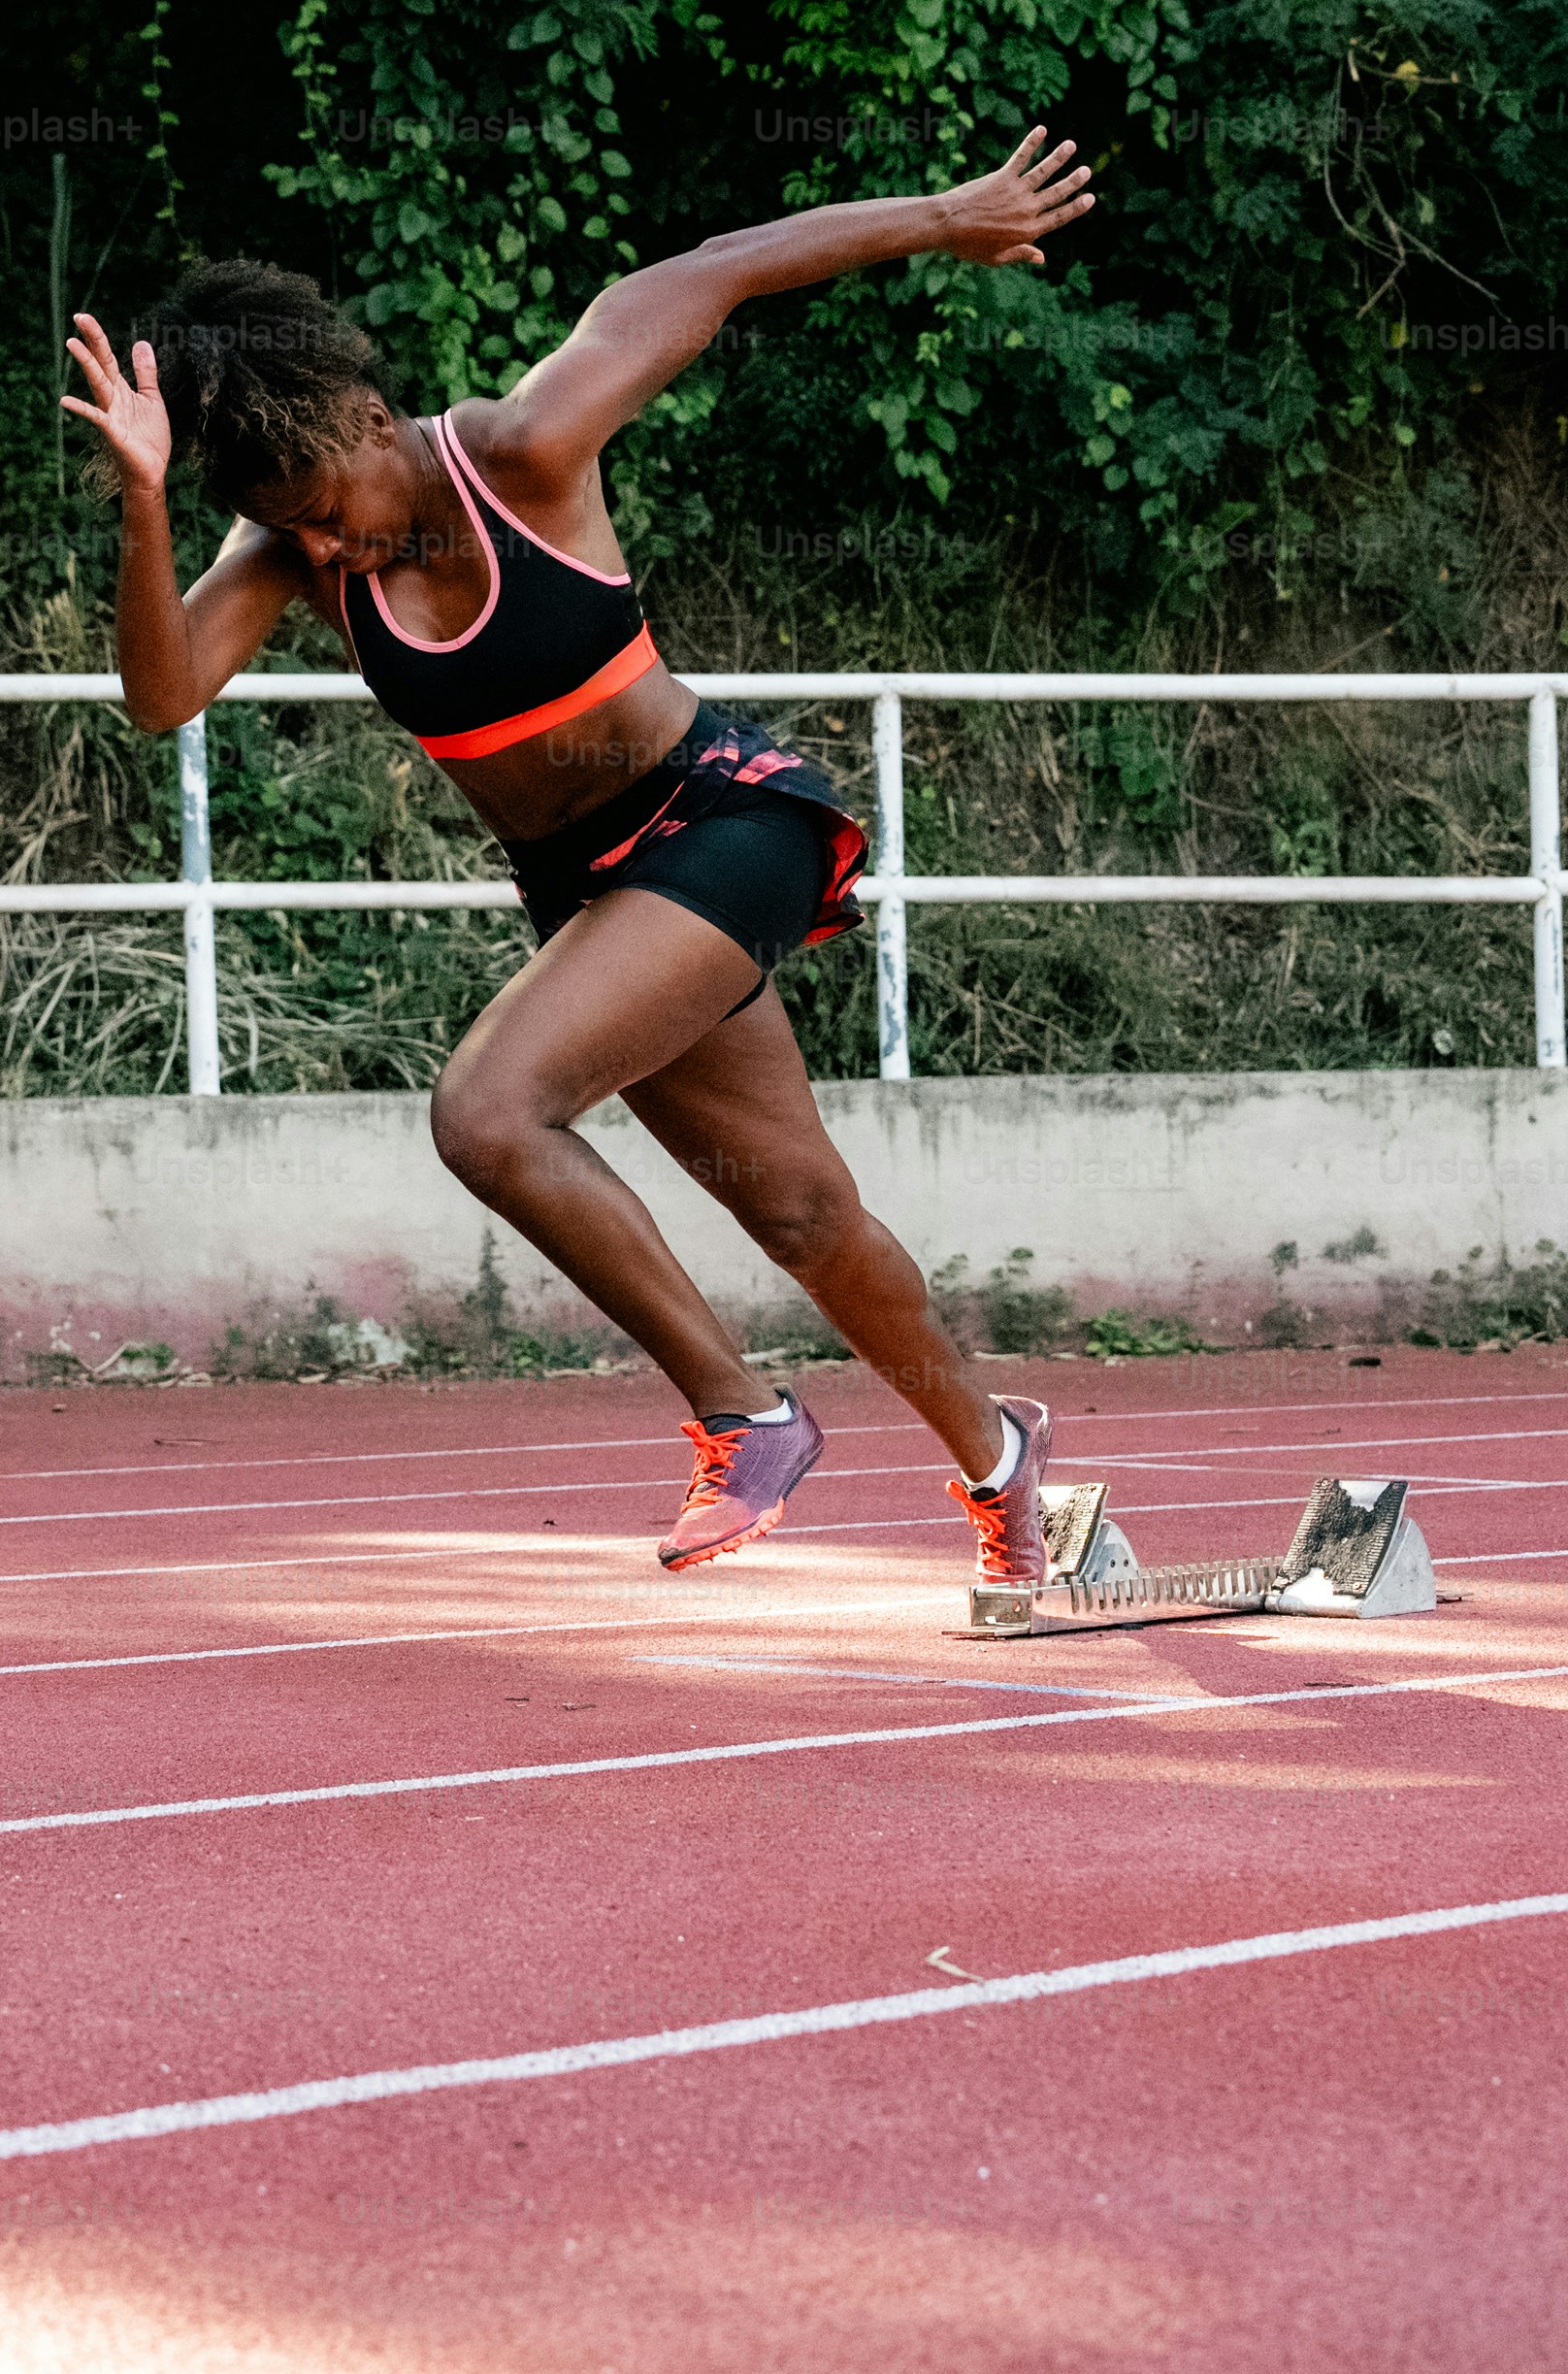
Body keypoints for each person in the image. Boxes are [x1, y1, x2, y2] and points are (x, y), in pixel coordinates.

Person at [59, 131, 1101, 1587]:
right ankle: (1006, 1467)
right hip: (603, 895)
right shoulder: (298, 549)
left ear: (368, 413)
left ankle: (745, 1419)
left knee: (488, 1113)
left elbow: (704, 275)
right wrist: (146, 504)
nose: (328, 551)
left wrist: (948, 219)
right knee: (798, 1208)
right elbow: (162, 695)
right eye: (288, 528)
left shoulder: (517, 450)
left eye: (329, 507)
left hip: (718, 823)